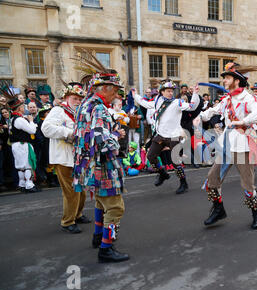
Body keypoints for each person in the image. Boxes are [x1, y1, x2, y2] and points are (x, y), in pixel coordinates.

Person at [72, 48, 129, 263]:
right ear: (104, 88)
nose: (116, 95)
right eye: (114, 91)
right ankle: (106, 248)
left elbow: (85, 135)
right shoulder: (98, 109)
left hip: (88, 164)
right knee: (115, 207)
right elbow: (101, 140)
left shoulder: (85, 105)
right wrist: (116, 134)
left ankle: (97, 236)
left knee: (100, 203)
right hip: (102, 165)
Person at [199, 62, 257, 230]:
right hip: (226, 144)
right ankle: (218, 209)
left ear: (237, 81)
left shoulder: (248, 98)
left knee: (247, 183)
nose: (224, 81)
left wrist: (244, 121)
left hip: (242, 144)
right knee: (212, 179)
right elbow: (213, 111)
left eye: (227, 78)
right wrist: (203, 115)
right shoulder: (227, 99)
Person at [132, 79, 201, 194]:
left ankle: (183, 182)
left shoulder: (177, 102)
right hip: (161, 135)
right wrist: (135, 95)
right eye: (168, 91)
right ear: (162, 92)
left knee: (176, 162)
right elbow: (145, 103)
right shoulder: (157, 100)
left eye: (171, 91)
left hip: (174, 135)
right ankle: (162, 174)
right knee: (151, 157)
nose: (170, 93)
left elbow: (192, 106)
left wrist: (195, 93)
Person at [41, 81, 88, 234]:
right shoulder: (58, 110)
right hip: (63, 157)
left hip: (77, 157)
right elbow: (46, 128)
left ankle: (78, 214)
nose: (78, 102)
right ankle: (68, 221)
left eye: (80, 99)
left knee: (81, 189)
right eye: (75, 98)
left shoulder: (78, 113)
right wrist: (68, 133)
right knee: (71, 191)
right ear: (67, 97)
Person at [0, 85, 39, 193]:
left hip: (16, 145)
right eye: (23, 106)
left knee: (20, 165)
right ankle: (29, 185)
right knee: (27, 165)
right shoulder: (19, 120)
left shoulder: (12, 119)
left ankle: (22, 184)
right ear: (19, 108)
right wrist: (31, 121)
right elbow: (32, 131)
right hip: (22, 144)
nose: (25, 107)